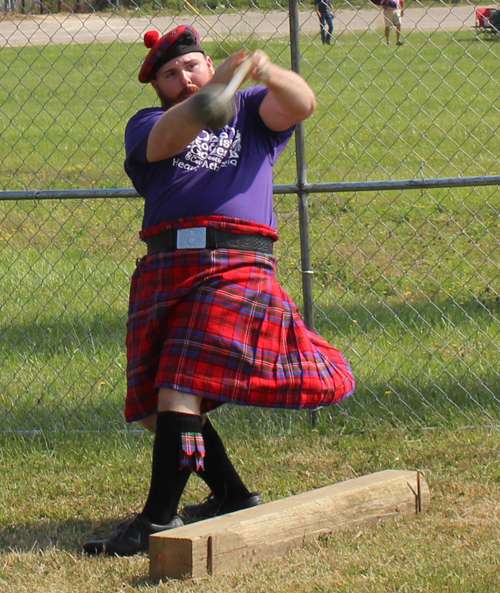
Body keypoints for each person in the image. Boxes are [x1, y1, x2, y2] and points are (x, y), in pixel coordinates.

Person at [83, 24, 355, 557]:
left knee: (179, 384)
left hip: (235, 264)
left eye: (192, 66)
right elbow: (179, 130)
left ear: (208, 65)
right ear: (157, 88)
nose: (183, 78)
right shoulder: (149, 123)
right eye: (170, 74)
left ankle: (155, 522)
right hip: (167, 267)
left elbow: (302, 103)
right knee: (155, 408)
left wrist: (266, 71)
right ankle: (230, 494)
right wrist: (218, 86)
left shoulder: (253, 112)